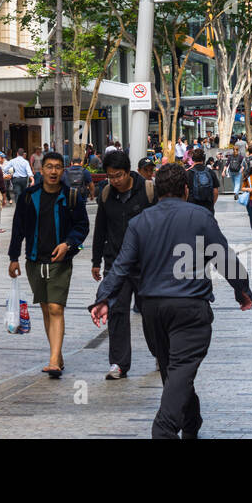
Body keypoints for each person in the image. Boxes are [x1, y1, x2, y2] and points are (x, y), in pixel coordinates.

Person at [90, 162, 252, 438]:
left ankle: (191, 423)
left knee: (174, 371)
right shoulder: (200, 217)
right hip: (190, 309)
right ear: (186, 190)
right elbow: (223, 257)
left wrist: (103, 297)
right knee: (179, 372)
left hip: (153, 311)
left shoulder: (139, 222)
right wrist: (242, 288)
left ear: (159, 191)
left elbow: (121, 264)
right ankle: (163, 430)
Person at [9, 152, 90, 378]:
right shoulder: (28, 196)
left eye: (57, 167)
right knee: (46, 308)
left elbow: (82, 226)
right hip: (34, 261)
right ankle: (57, 353)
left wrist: (68, 244)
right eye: (49, 167)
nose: (53, 171)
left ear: (63, 170)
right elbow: (18, 228)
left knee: (56, 307)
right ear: (41, 170)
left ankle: (53, 360)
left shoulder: (71, 196)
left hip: (60, 261)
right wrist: (13, 257)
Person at [91, 150, 154, 380]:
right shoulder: (107, 194)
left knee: (150, 311)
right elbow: (100, 229)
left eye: (118, 175)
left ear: (128, 172)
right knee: (117, 312)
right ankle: (118, 363)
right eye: (110, 176)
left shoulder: (147, 192)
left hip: (145, 264)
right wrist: (96, 261)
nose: (114, 180)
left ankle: (159, 353)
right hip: (116, 263)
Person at [186, 148, 219, 214]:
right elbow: (215, 192)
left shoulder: (188, 173)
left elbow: (186, 190)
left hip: (192, 207)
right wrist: (211, 204)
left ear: (193, 159)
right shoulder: (211, 172)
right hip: (208, 207)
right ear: (204, 159)